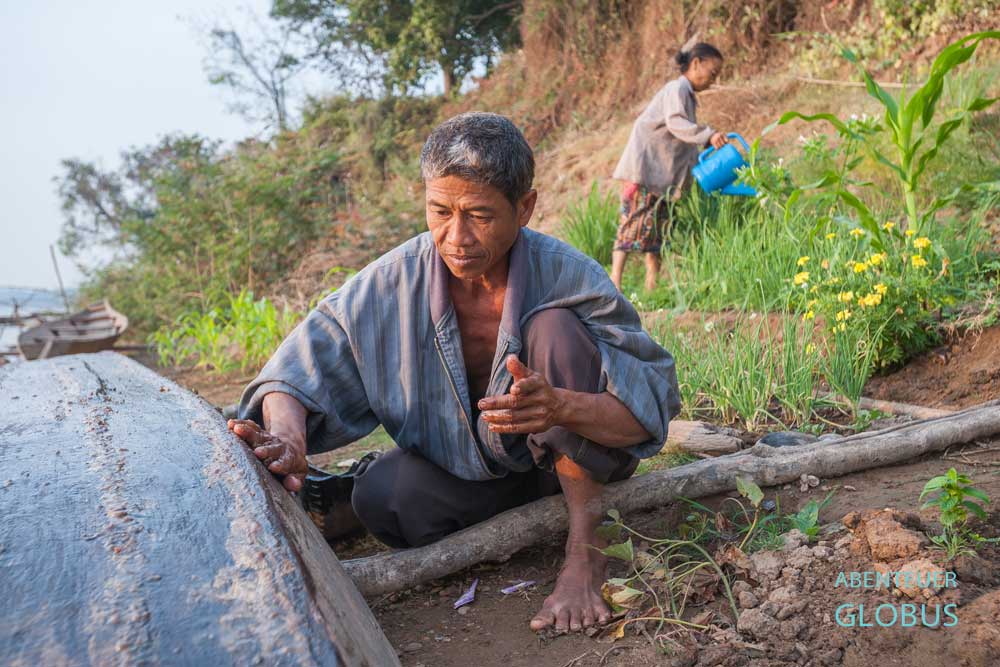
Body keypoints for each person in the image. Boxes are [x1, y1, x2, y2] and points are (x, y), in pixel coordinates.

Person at [228, 112, 681, 634]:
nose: (456, 236)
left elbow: (647, 414)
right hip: (484, 475)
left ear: (525, 207)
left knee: (555, 328)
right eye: (440, 211)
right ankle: (530, 508)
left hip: (586, 453)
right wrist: (288, 438)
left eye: (480, 215)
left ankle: (586, 550)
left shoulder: (569, 276)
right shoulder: (392, 281)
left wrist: (562, 407)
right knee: (381, 497)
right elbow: (296, 367)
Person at [610, 41, 728, 293]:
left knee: (657, 231)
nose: (713, 80)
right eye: (713, 72)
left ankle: (651, 288)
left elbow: (682, 140)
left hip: (660, 176)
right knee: (632, 223)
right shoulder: (677, 89)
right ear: (696, 64)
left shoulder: (686, 95)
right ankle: (614, 284)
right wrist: (708, 135)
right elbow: (676, 124)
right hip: (645, 170)